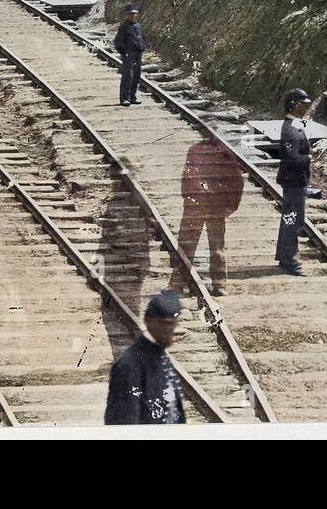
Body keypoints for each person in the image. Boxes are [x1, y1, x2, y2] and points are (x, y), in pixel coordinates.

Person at [104, 289, 187, 425]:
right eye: (166, 325)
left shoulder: (161, 358)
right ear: (148, 321)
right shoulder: (129, 366)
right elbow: (124, 427)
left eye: (174, 324)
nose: (171, 332)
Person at [177, 133, 243, 297]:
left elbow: (236, 181)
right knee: (187, 245)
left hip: (213, 206)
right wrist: (188, 198)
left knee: (216, 248)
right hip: (196, 206)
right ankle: (177, 284)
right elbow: (187, 178)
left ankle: (219, 285)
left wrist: (231, 205)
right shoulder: (196, 151)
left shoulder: (224, 154)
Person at [275, 88, 313, 276]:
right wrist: (309, 158)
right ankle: (289, 261)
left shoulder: (295, 125)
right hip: (294, 181)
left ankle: (284, 256)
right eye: (303, 105)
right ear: (294, 105)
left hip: (295, 180)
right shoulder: (290, 129)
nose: (306, 108)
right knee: (293, 220)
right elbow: (291, 157)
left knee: (289, 218)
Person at [114, 4, 145, 106]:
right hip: (129, 54)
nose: (134, 16)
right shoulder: (124, 26)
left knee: (136, 76)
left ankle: (133, 97)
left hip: (138, 54)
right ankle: (124, 99)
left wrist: (142, 48)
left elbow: (141, 38)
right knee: (128, 76)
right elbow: (118, 42)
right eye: (131, 14)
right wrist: (124, 53)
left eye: (135, 14)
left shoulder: (138, 26)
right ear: (128, 15)